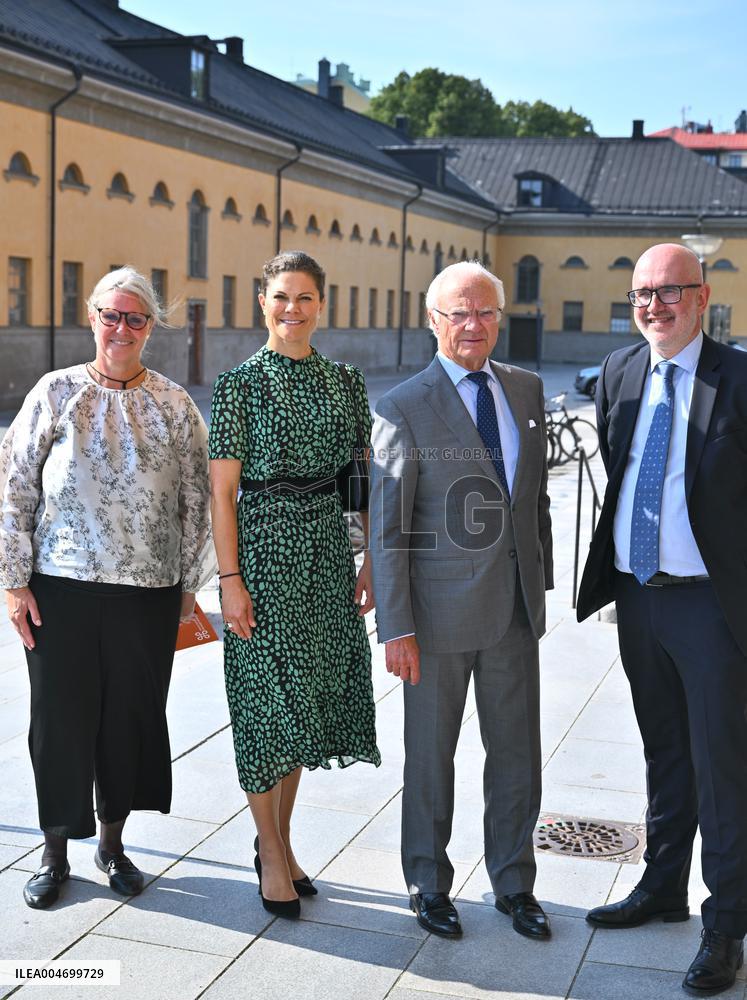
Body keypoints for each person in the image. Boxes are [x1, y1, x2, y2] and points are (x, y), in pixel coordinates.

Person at [1, 266, 214, 910]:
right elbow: (15, 486)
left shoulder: (175, 404)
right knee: (59, 723)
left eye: (136, 318)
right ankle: (55, 851)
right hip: (59, 589)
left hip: (146, 595)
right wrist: (13, 583)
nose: (122, 328)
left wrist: (186, 587)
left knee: (128, 720)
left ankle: (112, 843)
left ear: (152, 327)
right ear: (92, 318)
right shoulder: (54, 391)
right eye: (111, 315)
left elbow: (197, 499)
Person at [577, 243, 747, 997]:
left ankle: (725, 927)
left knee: (722, 768)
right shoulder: (619, 371)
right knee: (663, 751)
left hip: (710, 604)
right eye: (642, 292)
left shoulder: (738, 378)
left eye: (669, 291)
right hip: (639, 595)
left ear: (701, 296)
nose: (653, 305)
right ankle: (662, 886)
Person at [369, 261, 554, 941]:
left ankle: (514, 882)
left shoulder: (526, 389)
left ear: (498, 317)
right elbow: (385, 530)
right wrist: (396, 627)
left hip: (512, 613)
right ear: (432, 320)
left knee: (515, 754)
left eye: (484, 312)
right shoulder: (401, 405)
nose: (472, 325)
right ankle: (427, 880)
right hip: (434, 620)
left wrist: (540, 586)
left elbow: (529, 501)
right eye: (458, 313)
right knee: (429, 755)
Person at [208, 250, 380, 920]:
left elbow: (358, 477)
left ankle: (276, 840)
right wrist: (229, 580)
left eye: (304, 297)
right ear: (262, 301)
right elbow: (223, 494)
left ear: (320, 305)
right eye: (281, 296)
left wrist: (371, 558)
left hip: (325, 552)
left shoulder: (344, 383)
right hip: (261, 549)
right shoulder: (238, 385)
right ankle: (273, 855)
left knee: (303, 703)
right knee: (262, 706)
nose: (292, 309)